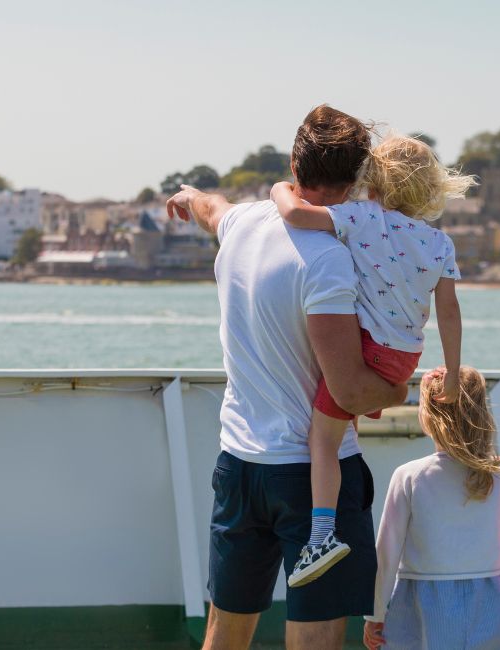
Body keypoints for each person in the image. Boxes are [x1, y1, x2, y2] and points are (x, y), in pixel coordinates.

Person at [166, 104, 408, 650]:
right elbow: (346, 389)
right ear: (355, 182)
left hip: (239, 468)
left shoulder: (243, 223)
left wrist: (186, 195)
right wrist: (396, 389)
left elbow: (210, 207)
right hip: (313, 482)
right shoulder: (328, 259)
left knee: (224, 636)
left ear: (294, 167)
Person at [269, 134, 475, 587]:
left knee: (321, 441)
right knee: (344, 433)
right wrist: (454, 374)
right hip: (402, 357)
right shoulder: (440, 243)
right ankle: (346, 512)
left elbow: (295, 214)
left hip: (362, 348)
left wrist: (278, 189)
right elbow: (449, 312)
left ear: (373, 181)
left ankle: (322, 533)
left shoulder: (363, 217)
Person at [362, 366, 500, 650]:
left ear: (429, 417)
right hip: (490, 600)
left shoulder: (408, 475)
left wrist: (376, 614)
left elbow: (386, 554)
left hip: (425, 602)